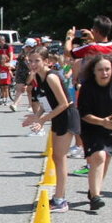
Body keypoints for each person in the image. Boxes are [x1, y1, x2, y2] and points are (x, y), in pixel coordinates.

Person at [22, 47, 81, 212]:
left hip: (67, 117)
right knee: (56, 156)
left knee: (60, 158)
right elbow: (45, 102)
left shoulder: (51, 77)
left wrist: (41, 120)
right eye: (30, 61)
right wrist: (36, 117)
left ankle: (60, 200)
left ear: (46, 61)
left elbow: (64, 103)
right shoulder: (39, 78)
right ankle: (58, 197)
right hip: (57, 117)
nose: (33, 64)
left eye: (37, 61)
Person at [76, 54, 112, 211]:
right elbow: (84, 113)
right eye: (100, 70)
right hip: (91, 127)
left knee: (105, 159)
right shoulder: (87, 86)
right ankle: (95, 197)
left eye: (107, 69)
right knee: (98, 156)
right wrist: (102, 122)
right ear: (93, 71)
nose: (104, 73)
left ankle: (95, 189)